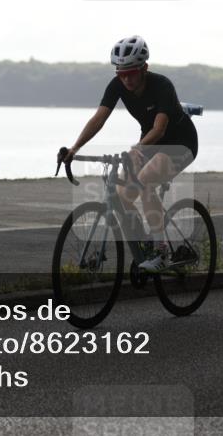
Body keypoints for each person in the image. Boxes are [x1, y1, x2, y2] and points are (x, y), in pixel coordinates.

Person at [61, 36, 198, 272]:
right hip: (149, 144)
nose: (126, 79)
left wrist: (137, 149)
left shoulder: (162, 85)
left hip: (180, 143)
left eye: (131, 73)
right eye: (121, 73)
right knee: (122, 195)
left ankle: (161, 251)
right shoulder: (117, 85)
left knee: (145, 182)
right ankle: (146, 244)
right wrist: (75, 148)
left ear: (144, 68)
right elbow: (99, 119)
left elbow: (160, 129)